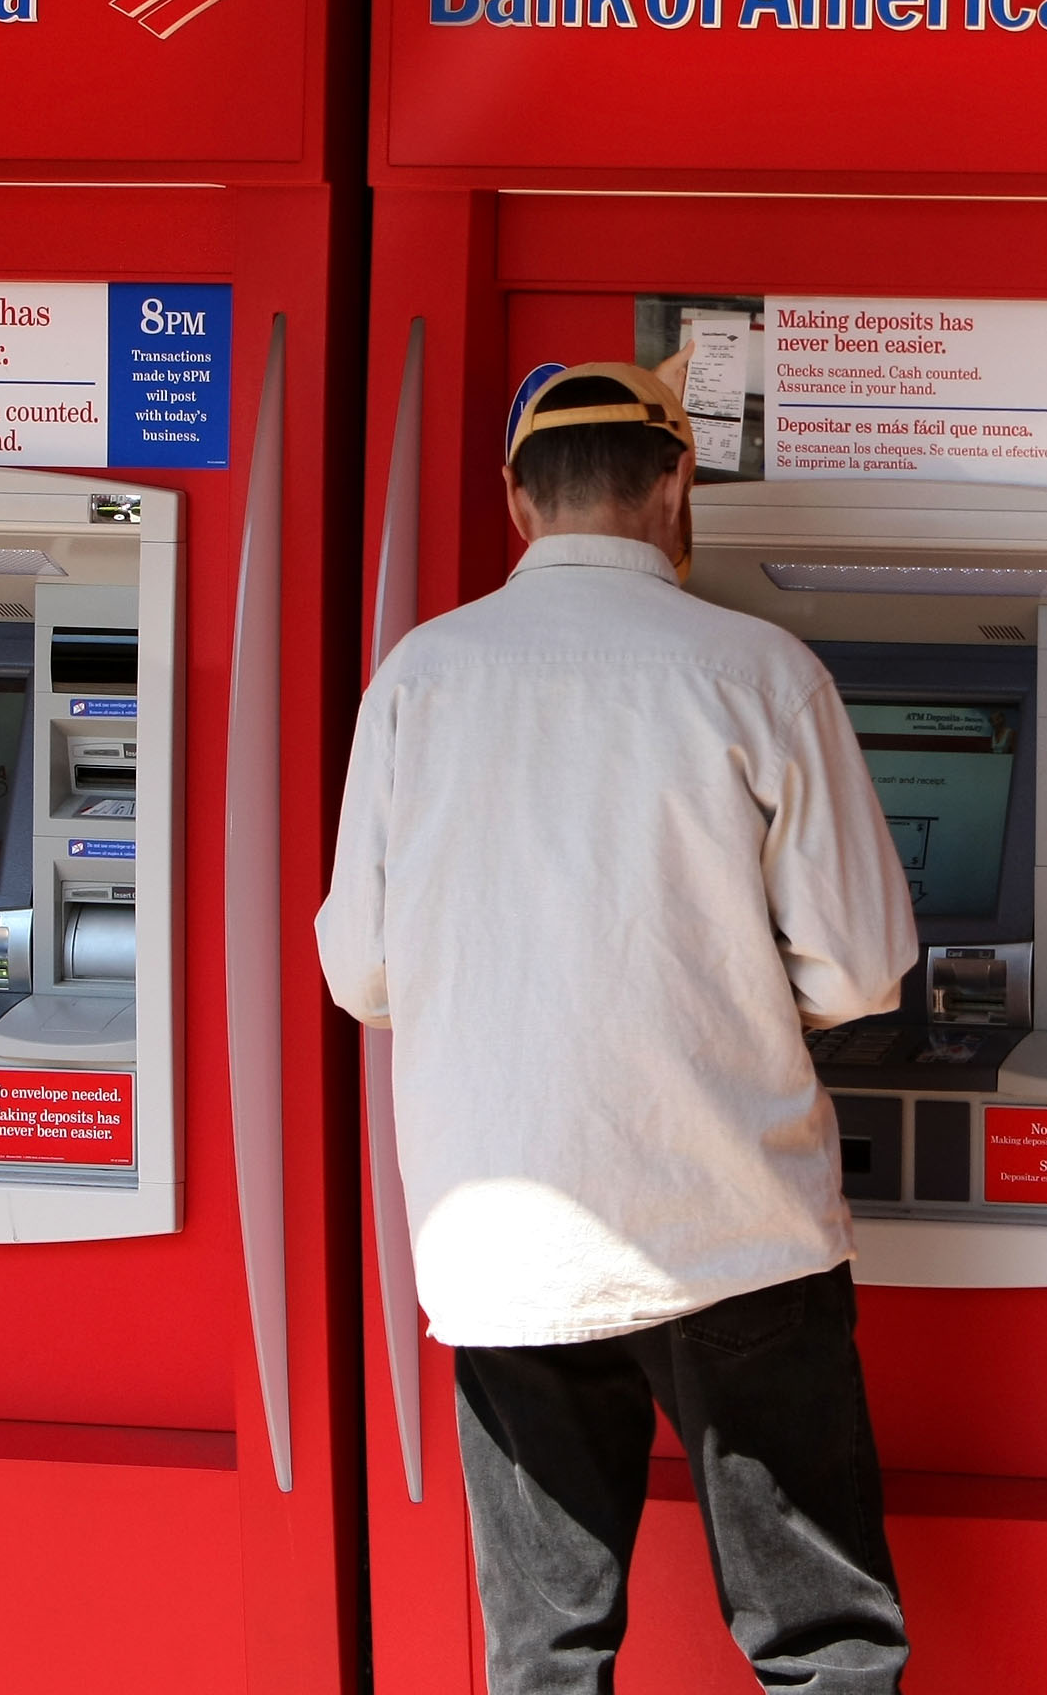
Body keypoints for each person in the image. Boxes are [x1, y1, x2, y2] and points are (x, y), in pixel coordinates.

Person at [315, 360, 918, 1694]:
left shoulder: (420, 679)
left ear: (518, 506)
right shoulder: (761, 672)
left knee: (546, 1654)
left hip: (503, 1248)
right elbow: (865, 971)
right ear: (675, 486)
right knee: (824, 1647)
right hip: (734, 1228)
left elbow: (360, 971)